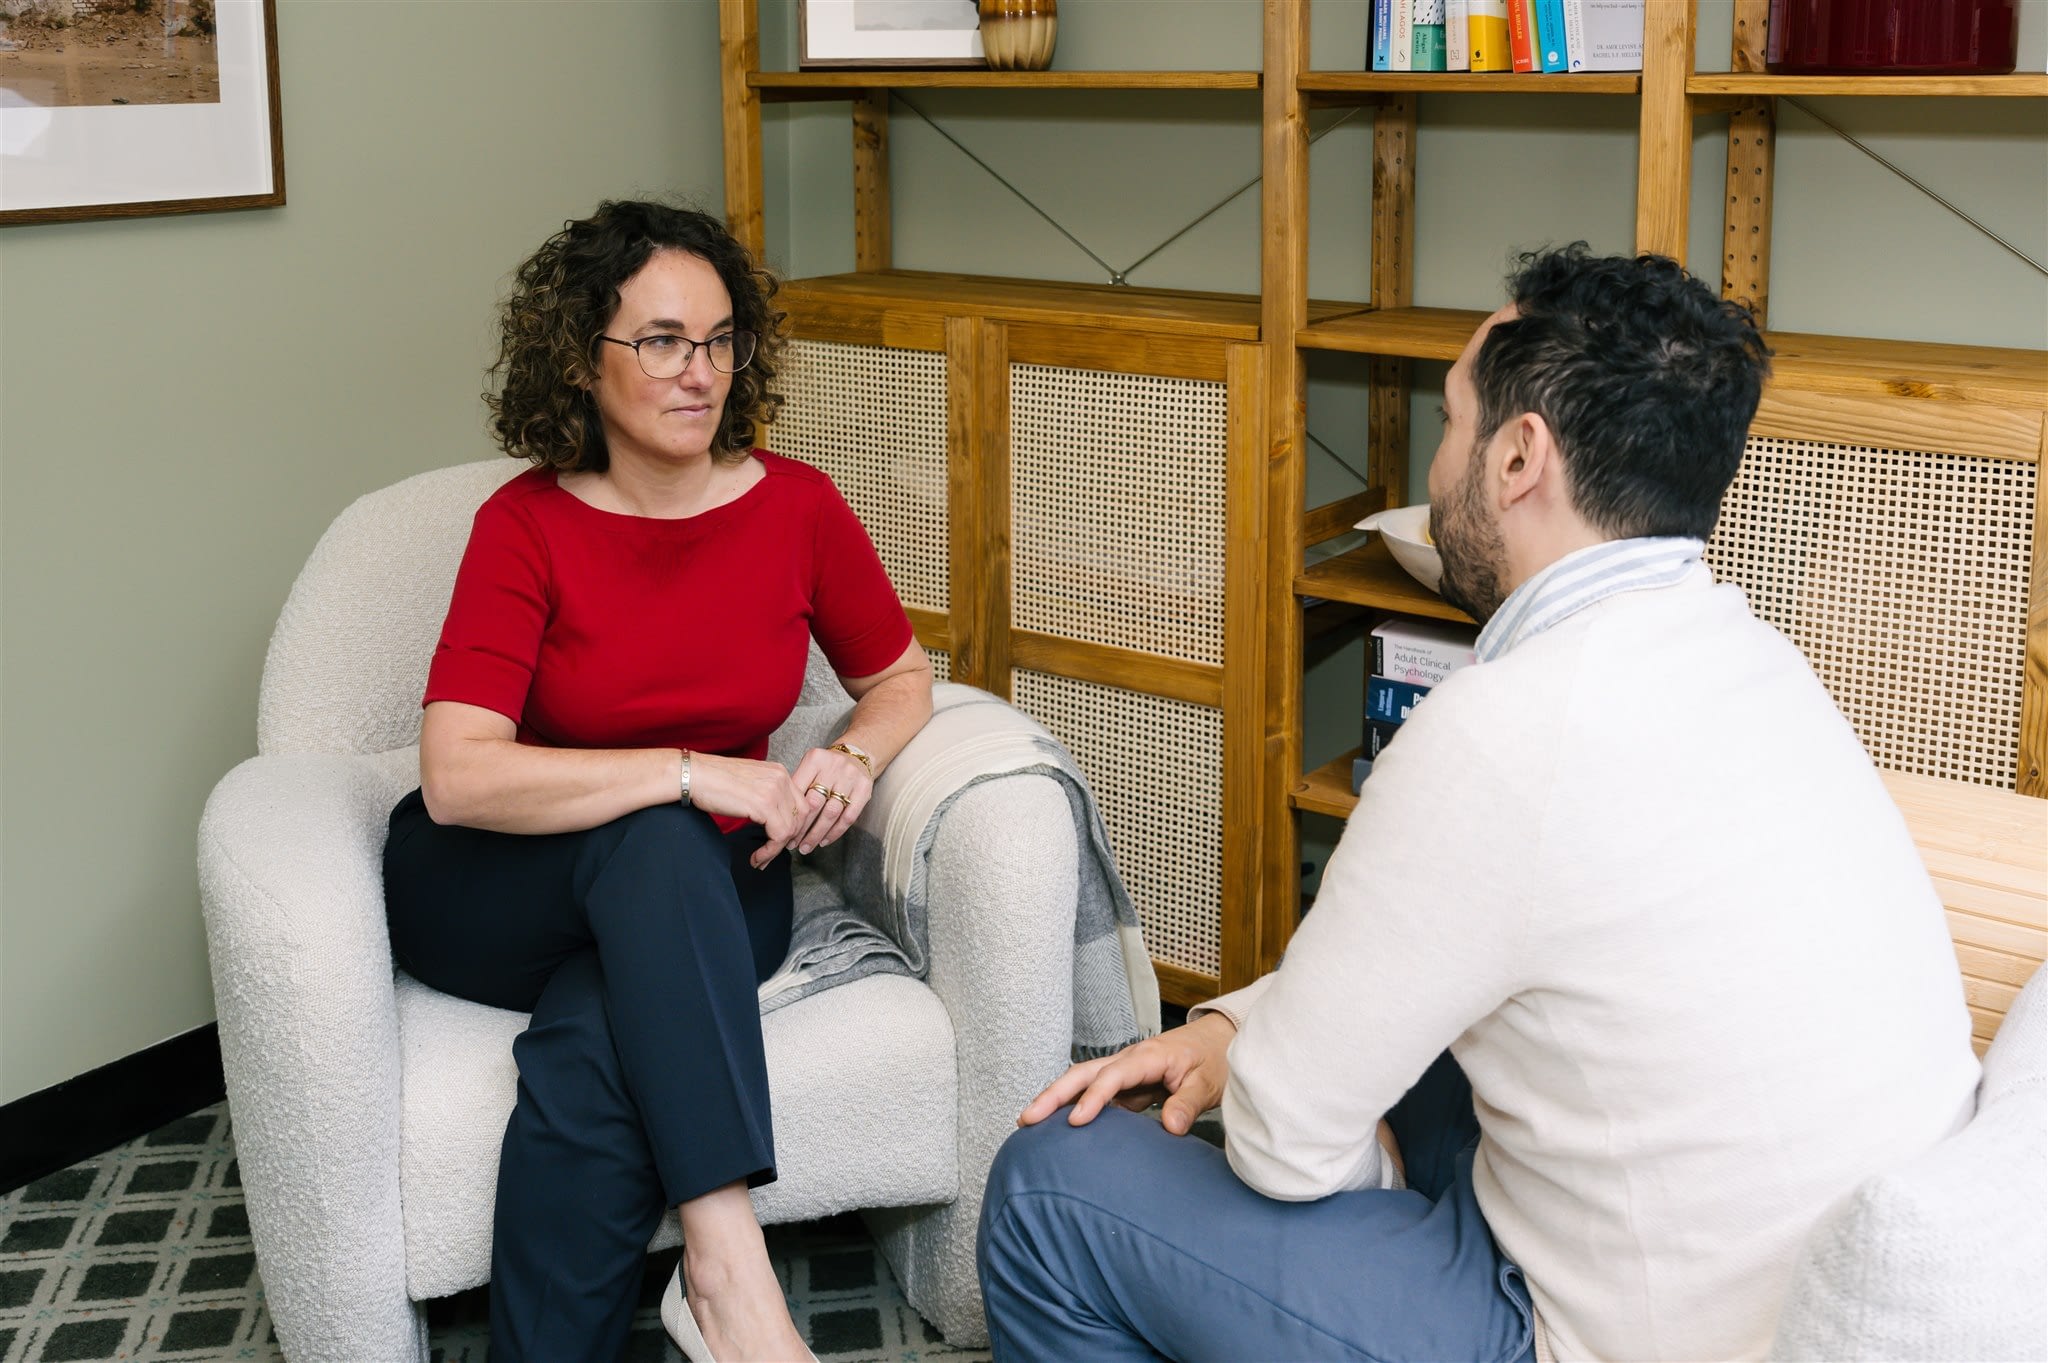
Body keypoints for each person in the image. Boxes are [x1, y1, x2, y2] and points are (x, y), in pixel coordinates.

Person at [976, 245, 1982, 1363]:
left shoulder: (1502, 733)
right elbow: (1440, 947)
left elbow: (1277, 1149)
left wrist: (1326, 1152)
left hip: (1600, 1335)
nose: (1438, 455)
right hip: (1744, 1283)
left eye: (1450, 419)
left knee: (1047, 1187)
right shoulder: (1759, 663)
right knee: (1405, 1051)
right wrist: (1234, 1026)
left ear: (1516, 457)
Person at [382, 199, 932, 1363]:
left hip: (701, 894)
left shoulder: (797, 507)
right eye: (664, 341)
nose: (702, 373)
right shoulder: (522, 527)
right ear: (584, 360)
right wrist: (689, 771)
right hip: (494, 882)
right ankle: (728, 1267)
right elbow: (455, 779)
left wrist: (856, 752)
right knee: (660, 831)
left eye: (722, 339)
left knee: (594, 1045)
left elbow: (898, 676)